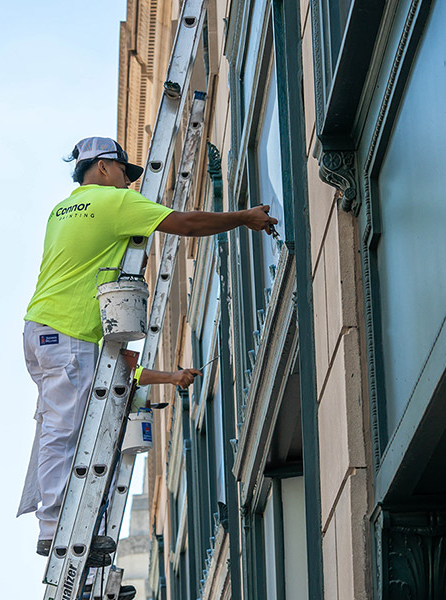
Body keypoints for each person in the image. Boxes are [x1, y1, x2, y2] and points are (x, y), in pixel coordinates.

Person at [18, 137, 277, 564]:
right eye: (124, 171)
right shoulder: (112, 203)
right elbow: (188, 224)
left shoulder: (63, 208)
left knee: (58, 427)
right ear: (103, 167)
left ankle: (68, 529)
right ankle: (55, 532)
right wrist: (243, 217)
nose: (128, 182)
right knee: (66, 432)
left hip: (46, 328)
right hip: (68, 332)